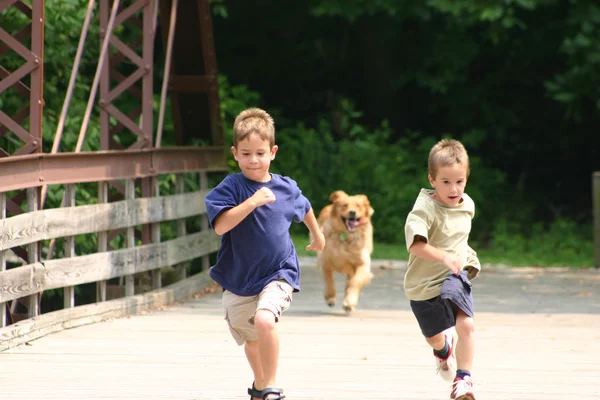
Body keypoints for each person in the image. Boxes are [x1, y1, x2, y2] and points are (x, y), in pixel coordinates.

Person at [205, 107, 326, 400]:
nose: (253, 160)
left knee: (264, 321)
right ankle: (260, 385)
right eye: (245, 153)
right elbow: (221, 227)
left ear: (272, 152)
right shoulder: (231, 187)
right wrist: (252, 202)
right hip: (239, 276)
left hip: (279, 270)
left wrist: (317, 234)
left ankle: (271, 385)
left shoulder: (286, 187)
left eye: (260, 153)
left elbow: (304, 205)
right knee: (252, 339)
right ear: (235, 153)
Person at [403, 138, 481, 400]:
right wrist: (442, 256)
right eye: (446, 182)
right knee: (434, 337)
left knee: (466, 325)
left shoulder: (466, 204)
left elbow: (458, 235)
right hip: (423, 286)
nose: (453, 188)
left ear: (466, 179)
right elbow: (415, 246)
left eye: (459, 181)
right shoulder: (423, 210)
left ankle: (464, 380)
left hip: (454, 275)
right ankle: (443, 349)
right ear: (432, 179)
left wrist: (463, 255)